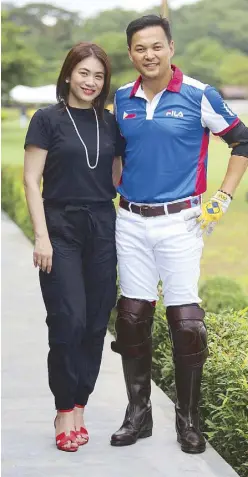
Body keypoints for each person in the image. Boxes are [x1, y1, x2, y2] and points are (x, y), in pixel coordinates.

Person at [110, 15, 248, 454]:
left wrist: (223, 198)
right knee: (132, 315)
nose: (148, 55)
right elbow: (118, 151)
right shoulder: (122, 97)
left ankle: (189, 421)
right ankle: (139, 415)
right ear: (131, 53)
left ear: (170, 47)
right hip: (131, 221)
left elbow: (244, 142)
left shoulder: (198, 94)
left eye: (156, 46)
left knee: (186, 322)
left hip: (182, 222)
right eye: (139, 48)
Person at [23, 42, 124, 452]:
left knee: (97, 323)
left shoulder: (111, 123)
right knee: (69, 321)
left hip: (102, 225)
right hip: (60, 226)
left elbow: (116, 176)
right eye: (84, 73)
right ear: (68, 74)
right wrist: (41, 235)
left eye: (98, 76)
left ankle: (80, 404)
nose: (91, 82)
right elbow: (31, 180)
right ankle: (64, 410)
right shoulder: (46, 119)